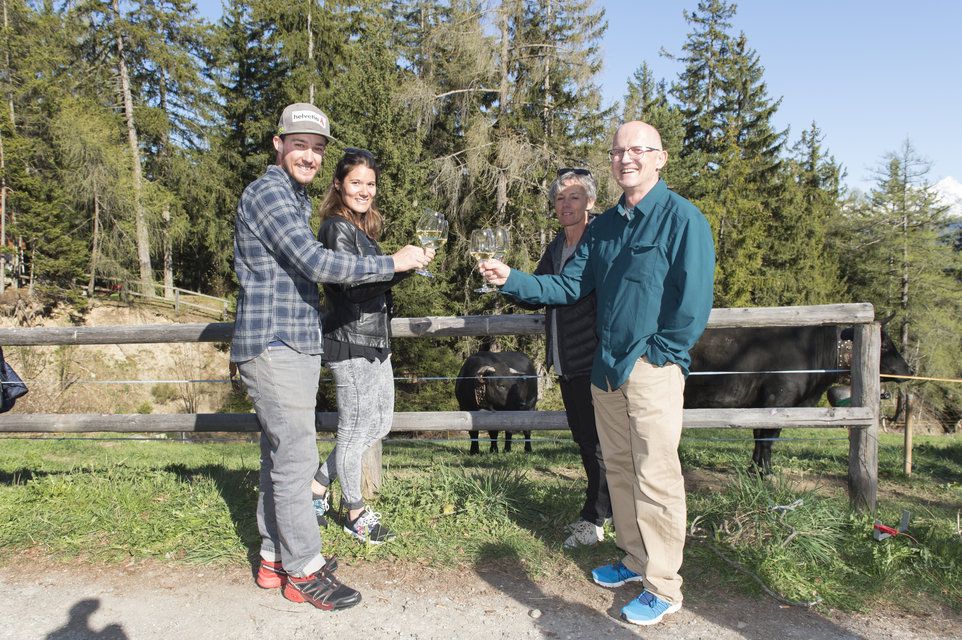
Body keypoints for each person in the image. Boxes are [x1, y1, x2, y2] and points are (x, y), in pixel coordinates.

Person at [480, 121, 715, 626]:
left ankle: (664, 585)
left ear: (660, 158)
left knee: (656, 476)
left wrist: (660, 354)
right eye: (618, 151)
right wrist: (510, 278)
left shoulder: (683, 219)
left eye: (638, 150)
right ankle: (635, 559)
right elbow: (567, 286)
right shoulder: (604, 226)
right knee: (621, 470)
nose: (626, 158)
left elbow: (693, 303)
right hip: (605, 372)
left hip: (651, 369)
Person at [230, 103, 433, 611]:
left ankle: (274, 558)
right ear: (278, 144)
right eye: (299, 144)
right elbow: (316, 262)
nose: (309, 155)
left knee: (279, 457)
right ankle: (304, 570)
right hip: (275, 342)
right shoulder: (268, 193)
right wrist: (393, 262)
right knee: (297, 459)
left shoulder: (291, 197)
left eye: (317, 148)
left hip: (294, 341)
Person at [309, 148, 405, 544]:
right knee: (353, 430)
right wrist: (399, 265)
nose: (365, 190)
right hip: (349, 340)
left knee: (379, 424)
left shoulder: (361, 229)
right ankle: (354, 512)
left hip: (374, 339)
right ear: (338, 185)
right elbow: (350, 287)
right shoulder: (336, 228)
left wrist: (403, 268)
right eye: (356, 183)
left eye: (370, 183)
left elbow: (374, 284)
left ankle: (317, 485)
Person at [516, 168, 612, 548]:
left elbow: (566, 289)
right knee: (586, 440)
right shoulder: (559, 245)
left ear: (590, 201)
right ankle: (603, 512)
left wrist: (510, 279)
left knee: (599, 444)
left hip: (595, 357)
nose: (566, 204)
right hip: (567, 361)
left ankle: (596, 519)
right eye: (559, 198)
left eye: (574, 197)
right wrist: (501, 281)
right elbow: (538, 291)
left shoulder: (598, 239)